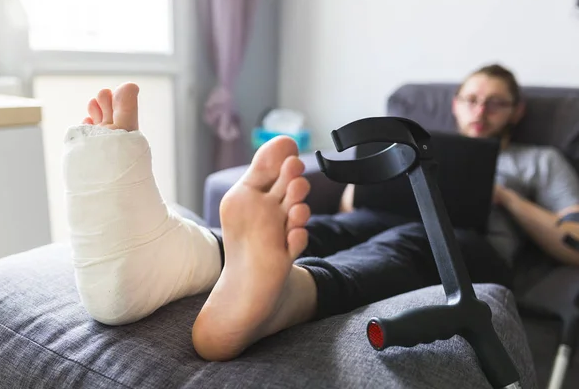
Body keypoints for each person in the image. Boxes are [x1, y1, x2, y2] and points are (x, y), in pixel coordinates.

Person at [63, 64, 579, 363]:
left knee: (406, 245)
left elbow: (571, 241)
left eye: (495, 103)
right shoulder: (420, 146)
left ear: (517, 111)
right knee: (326, 228)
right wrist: (384, 184)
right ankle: (181, 256)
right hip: (379, 218)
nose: (480, 111)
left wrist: (506, 199)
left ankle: (290, 292)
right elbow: (354, 205)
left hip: (468, 243)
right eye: (471, 99)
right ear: (457, 104)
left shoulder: (538, 161)